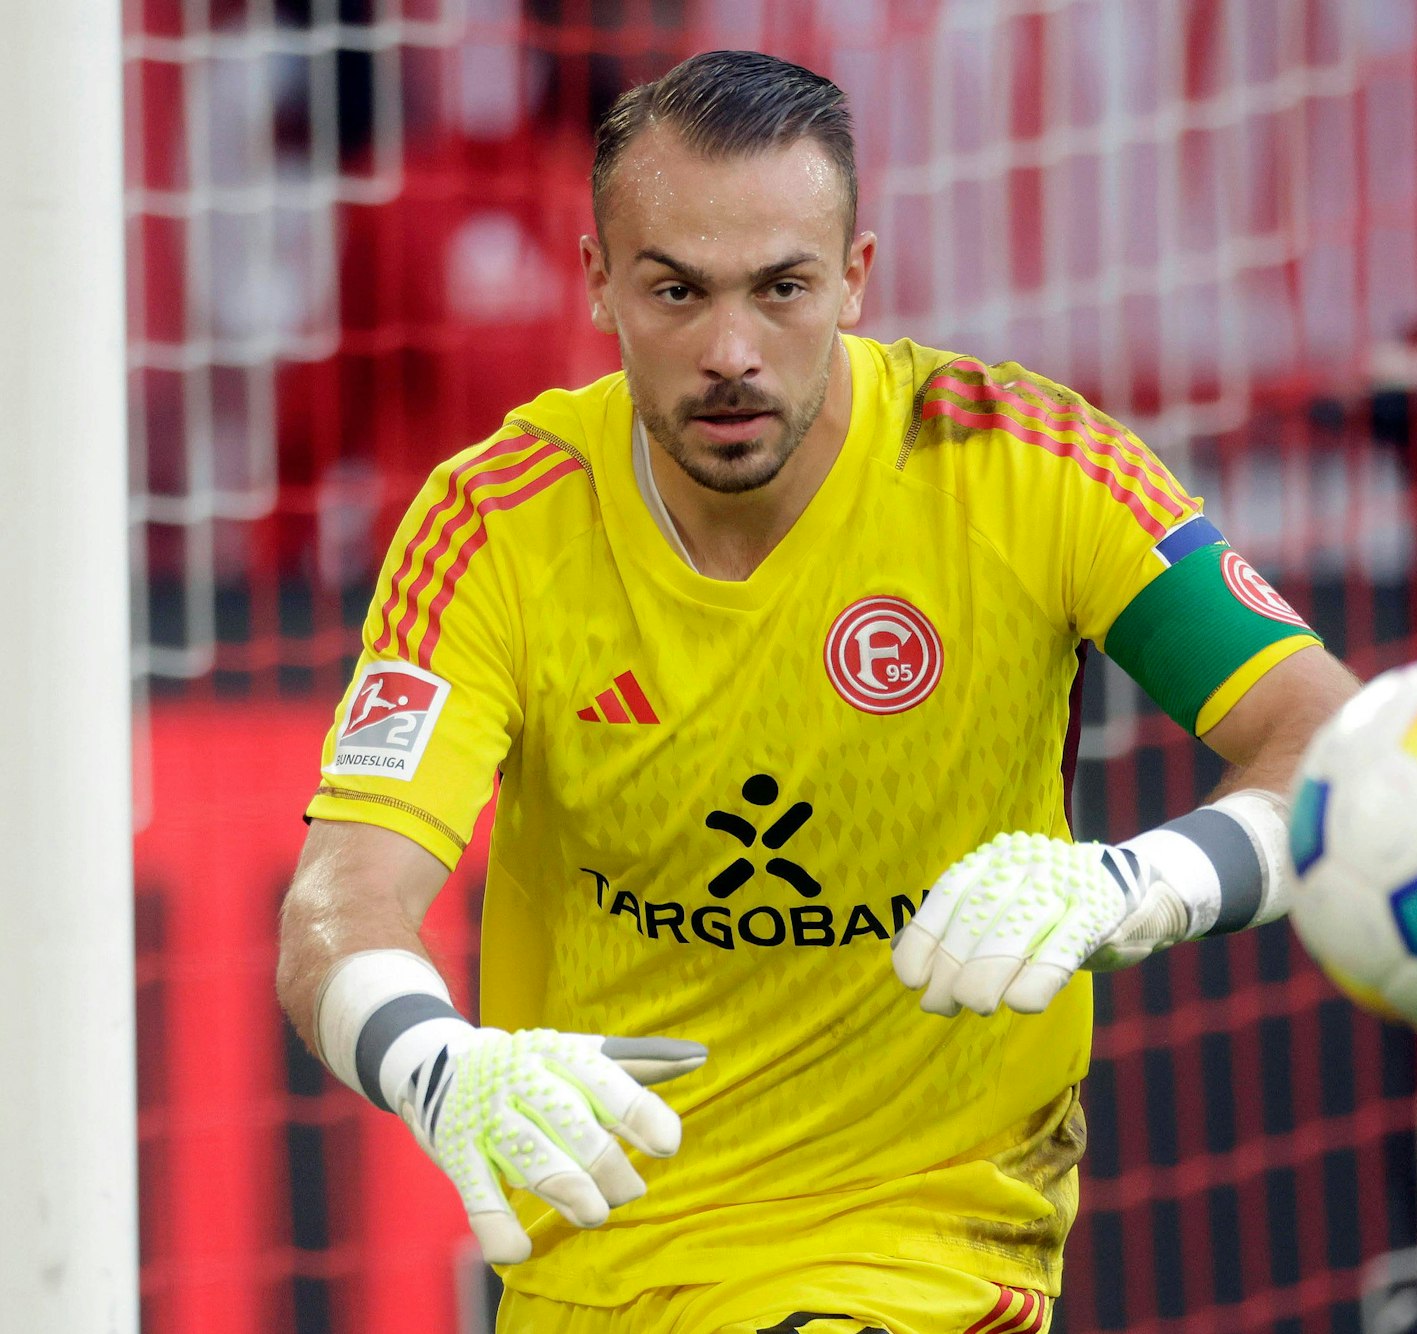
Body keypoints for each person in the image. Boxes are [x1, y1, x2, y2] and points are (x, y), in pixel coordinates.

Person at [275, 49, 1359, 1334]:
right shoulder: (495, 522)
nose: (731, 351)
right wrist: (437, 1063)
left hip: (921, 1250)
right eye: (677, 291)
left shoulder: (1024, 467)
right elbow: (340, 901)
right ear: (598, 282)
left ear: (855, 277)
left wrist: (1133, 884)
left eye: (781, 288)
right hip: (592, 1276)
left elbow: (1332, 746)